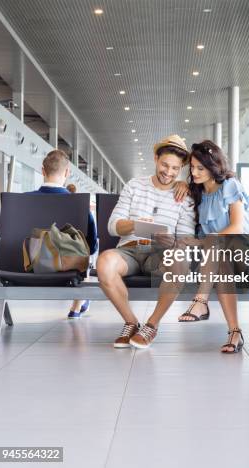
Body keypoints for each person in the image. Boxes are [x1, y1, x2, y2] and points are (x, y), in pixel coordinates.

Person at [97, 134, 195, 349]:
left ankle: (151, 325)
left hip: (160, 255)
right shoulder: (134, 186)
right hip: (130, 251)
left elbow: (186, 238)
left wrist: (171, 243)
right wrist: (135, 225)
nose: (168, 173)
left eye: (175, 169)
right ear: (155, 158)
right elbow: (113, 226)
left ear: (181, 169)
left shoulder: (185, 197)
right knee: (104, 263)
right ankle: (131, 322)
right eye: (164, 165)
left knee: (180, 260)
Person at [178, 140, 249, 354]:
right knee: (221, 265)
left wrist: (205, 241)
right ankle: (234, 333)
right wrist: (195, 242)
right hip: (220, 258)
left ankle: (201, 302)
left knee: (215, 244)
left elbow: (237, 226)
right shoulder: (199, 196)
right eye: (192, 167)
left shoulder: (230, 186)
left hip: (246, 253)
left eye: (200, 168)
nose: (194, 172)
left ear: (213, 167)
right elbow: (205, 238)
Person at [30, 150, 98, 319]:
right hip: (68, 268)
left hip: (27, 267)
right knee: (83, 256)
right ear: (67, 173)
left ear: (42, 171)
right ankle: (76, 308)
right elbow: (92, 245)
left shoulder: (21, 201)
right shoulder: (80, 205)